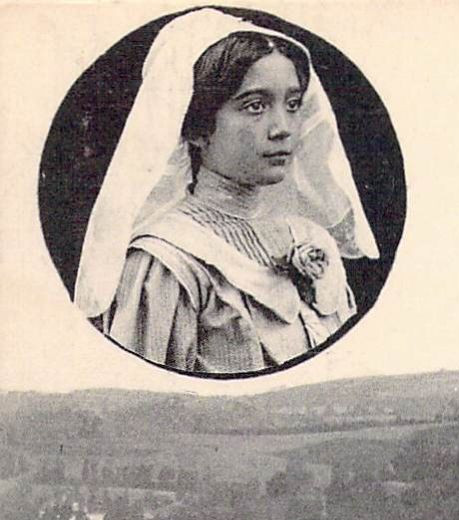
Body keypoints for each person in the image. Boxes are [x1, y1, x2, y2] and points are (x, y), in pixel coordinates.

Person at [74, 9, 377, 375]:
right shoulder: (167, 262)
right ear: (198, 128)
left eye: (293, 104)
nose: (282, 128)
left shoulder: (313, 239)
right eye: (255, 106)